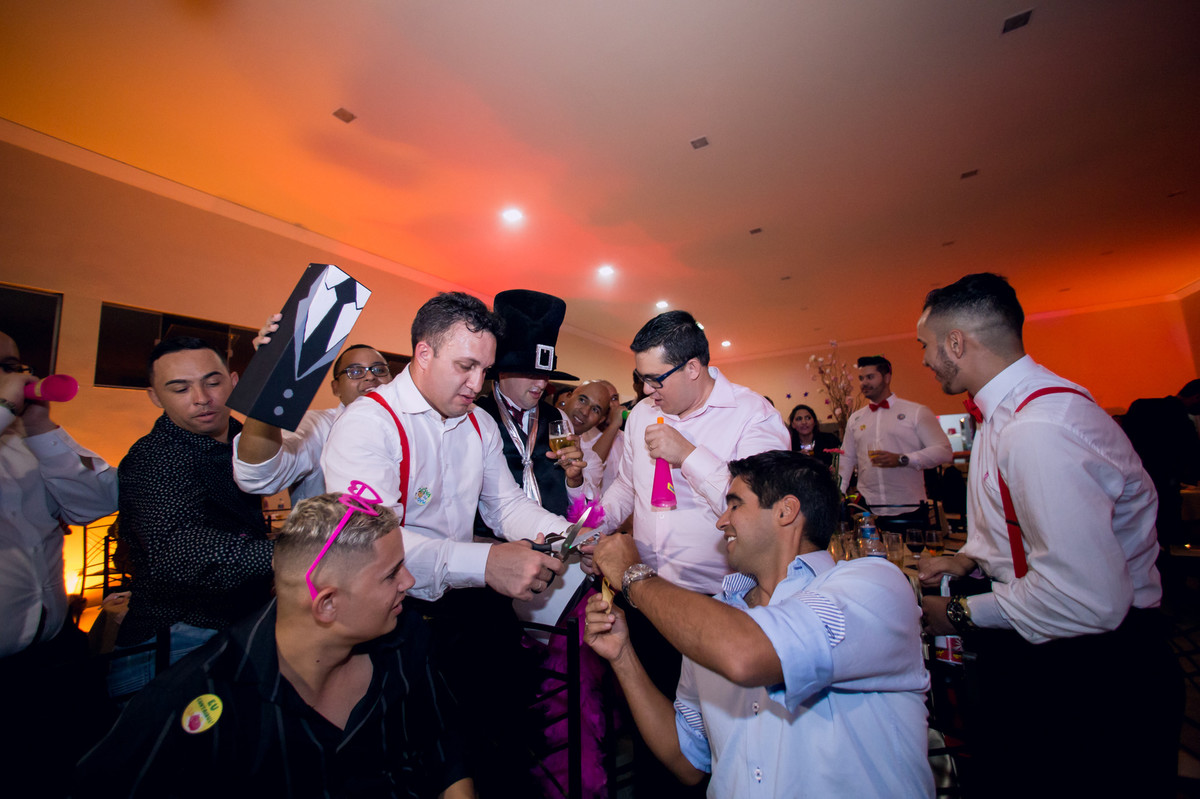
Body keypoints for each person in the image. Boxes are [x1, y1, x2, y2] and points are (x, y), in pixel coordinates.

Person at [915, 272, 1181, 798]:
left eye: (925, 345)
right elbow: (1013, 522)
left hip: (1096, 669)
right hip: (1045, 646)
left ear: (955, 343)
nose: (923, 359)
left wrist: (958, 613)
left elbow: (1086, 599)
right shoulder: (1003, 417)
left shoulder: (1039, 430)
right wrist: (969, 558)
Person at [320, 291, 572, 797]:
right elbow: (373, 543)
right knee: (416, 761)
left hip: (470, 608)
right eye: (465, 366)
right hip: (394, 618)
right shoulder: (368, 424)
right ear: (424, 353)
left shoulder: (478, 422)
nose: (477, 384)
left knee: (498, 741)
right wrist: (486, 563)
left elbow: (505, 508)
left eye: (485, 368)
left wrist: (573, 536)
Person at [78, 489, 474, 798]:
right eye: (391, 574)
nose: (408, 582)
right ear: (328, 604)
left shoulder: (405, 639)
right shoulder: (195, 698)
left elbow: (441, 742)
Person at [585, 451, 933, 798]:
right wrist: (623, 657)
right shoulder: (714, 621)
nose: (722, 521)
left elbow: (748, 653)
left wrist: (635, 576)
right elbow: (687, 761)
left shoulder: (872, 586)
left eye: (735, 505)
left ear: (786, 511)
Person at [580, 309, 789, 794]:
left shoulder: (752, 415)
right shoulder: (641, 418)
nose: (647, 390)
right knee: (656, 746)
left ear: (693, 367)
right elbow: (626, 492)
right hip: (647, 599)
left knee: (720, 753)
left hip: (724, 612)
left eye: (655, 379)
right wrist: (587, 526)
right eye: (641, 379)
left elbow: (766, 515)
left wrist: (688, 455)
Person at [112, 337, 274, 697]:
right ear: (155, 396)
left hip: (244, 623)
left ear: (233, 381)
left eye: (212, 382)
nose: (202, 398)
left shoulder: (243, 439)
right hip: (180, 636)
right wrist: (285, 556)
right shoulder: (155, 458)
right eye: (180, 388)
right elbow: (178, 548)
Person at [0, 331, 119, 796]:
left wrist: (40, 428)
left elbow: (97, 502)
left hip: (50, 652)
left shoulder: (25, 443)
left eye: (13, 364)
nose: (13, 377)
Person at [234, 318, 393, 502]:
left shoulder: (407, 426)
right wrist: (271, 378)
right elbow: (258, 477)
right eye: (355, 372)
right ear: (336, 388)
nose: (370, 377)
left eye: (379, 370)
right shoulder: (318, 427)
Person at [472, 290, 586, 521]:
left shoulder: (559, 419)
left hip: (555, 543)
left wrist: (575, 479)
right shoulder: (473, 417)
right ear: (502, 371)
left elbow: (579, 503)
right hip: (496, 548)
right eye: (531, 373)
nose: (542, 383)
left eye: (545, 375)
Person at [838, 355, 952, 529]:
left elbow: (944, 451)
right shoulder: (855, 418)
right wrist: (839, 491)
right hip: (867, 507)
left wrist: (903, 459)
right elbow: (846, 458)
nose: (864, 383)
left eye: (870, 377)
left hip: (908, 505)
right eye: (861, 378)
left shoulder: (916, 412)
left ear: (887, 377)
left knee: (913, 555)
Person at [1121, 382, 1200, 547]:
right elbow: (1191, 454)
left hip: (1135, 485)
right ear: (1196, 398)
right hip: (1166, 486)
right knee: (1171, 535)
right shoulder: (1180, 419)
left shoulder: (1140, 406)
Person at [786, 402, 841, 467]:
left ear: (814, 421)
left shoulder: (830, 440)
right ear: (793, 424)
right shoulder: (789, 446)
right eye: (799, 419)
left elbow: (843, 461)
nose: (804, 422)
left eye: (808, 418)